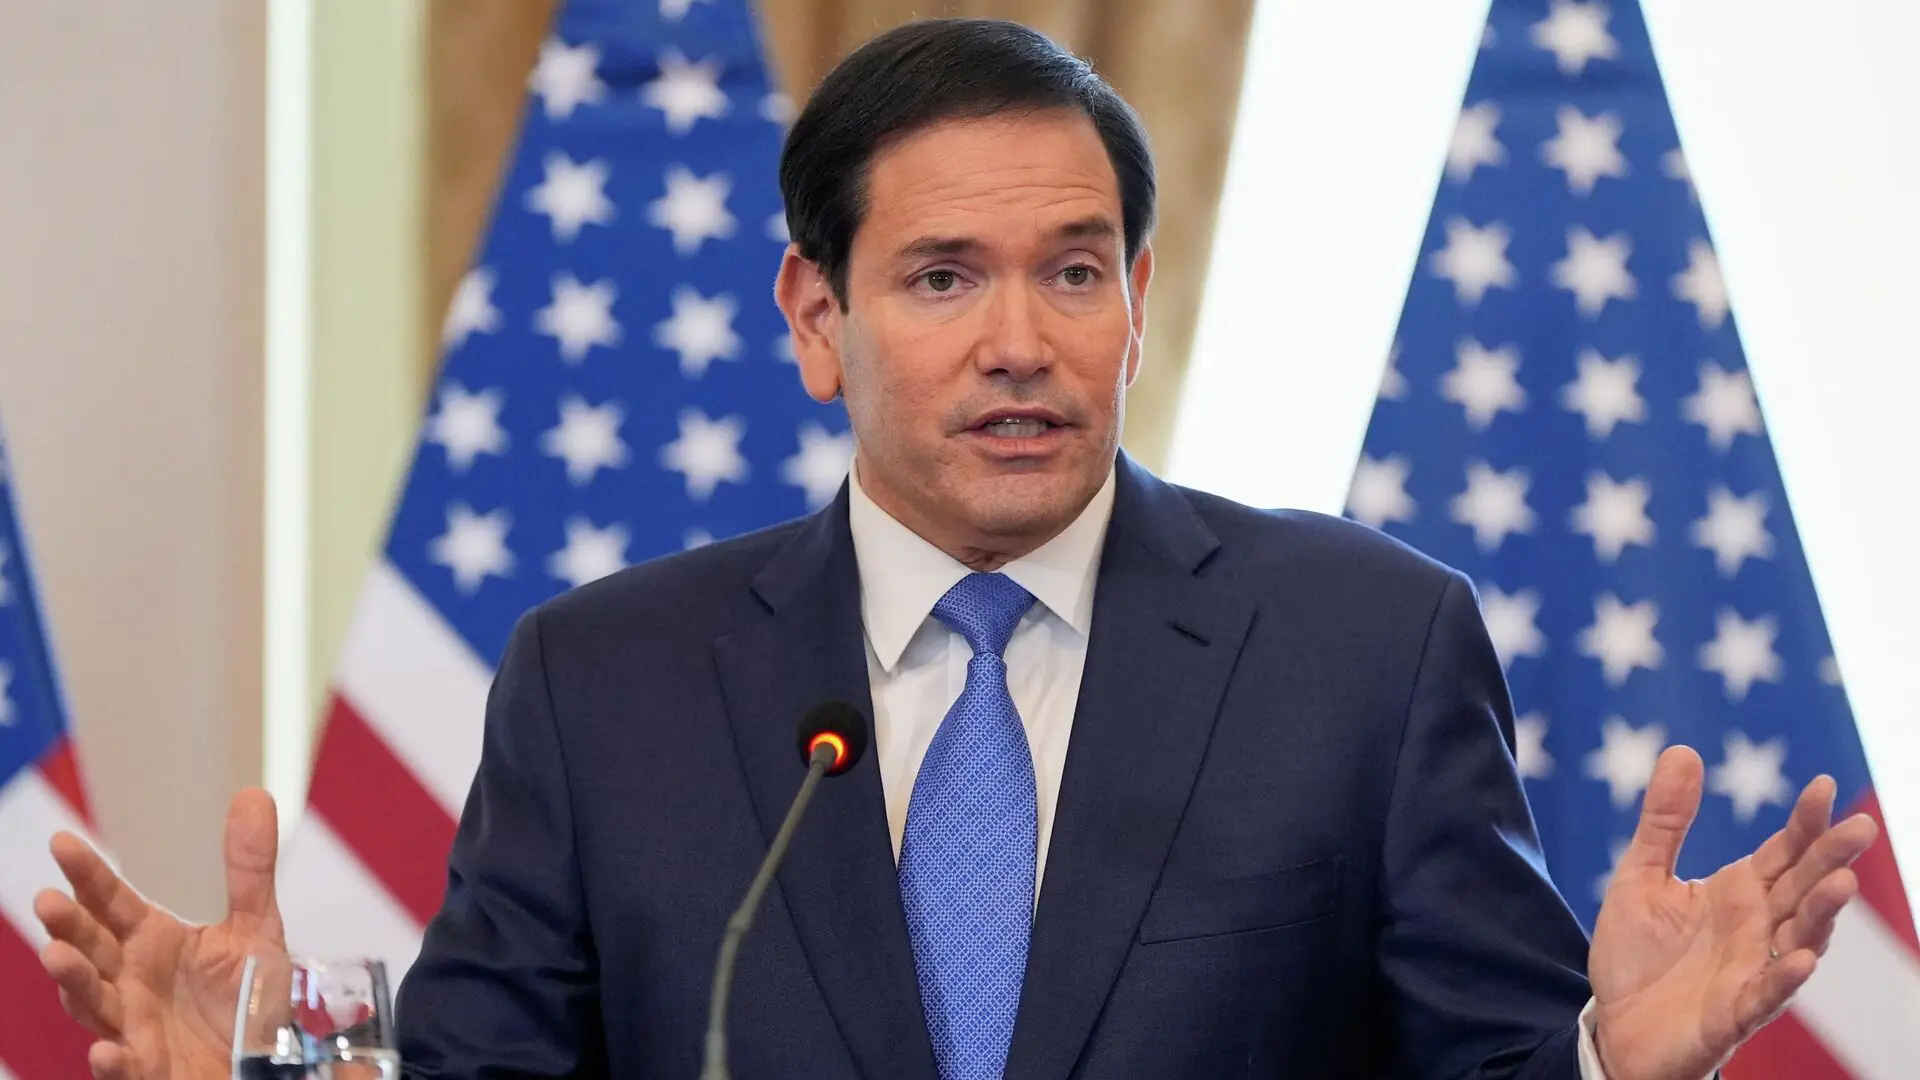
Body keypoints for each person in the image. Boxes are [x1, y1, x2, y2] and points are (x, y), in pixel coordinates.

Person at [36, 18, 1876, 1080]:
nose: (1019, 341)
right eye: (940, 279)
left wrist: (1608, 1063)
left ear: (1137, 303)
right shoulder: (606, 682)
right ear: (815, 319)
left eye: (1073, 271)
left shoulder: (1362, 648)